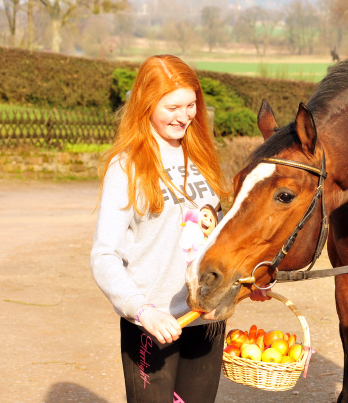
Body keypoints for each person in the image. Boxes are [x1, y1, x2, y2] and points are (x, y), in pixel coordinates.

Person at [90, 54, 229, 403]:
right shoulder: (127, 168)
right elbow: (104, 255)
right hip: (152, 326)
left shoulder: (201, 159)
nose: (184, 116)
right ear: (146, 104)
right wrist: (142, 310)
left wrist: (244, 282)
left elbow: (221, 237)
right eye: (172, 107)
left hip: (206, 319)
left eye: (191, 104)